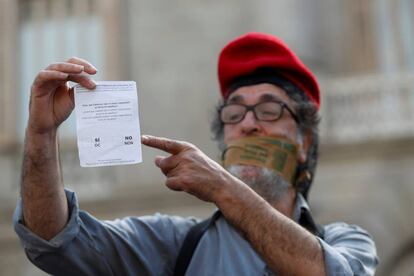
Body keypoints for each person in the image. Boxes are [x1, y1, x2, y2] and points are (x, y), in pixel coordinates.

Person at [14, 32, 378, 275]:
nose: (248, 125)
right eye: (234, 114)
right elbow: (55, 240)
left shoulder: (347, 242)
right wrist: (41, 133)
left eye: (270, 111)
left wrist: (224, 188)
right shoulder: (173, 245)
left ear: (305, 143)